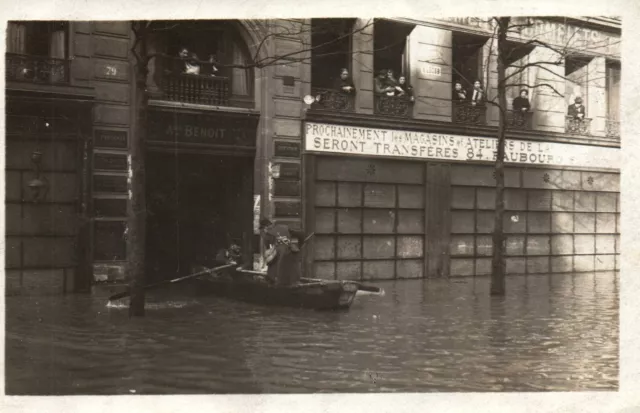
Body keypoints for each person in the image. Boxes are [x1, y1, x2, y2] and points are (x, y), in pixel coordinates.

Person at [259, 218, 305, 286]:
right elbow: (301, 234)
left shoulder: (268, 234)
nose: (264, 231)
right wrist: (300, 245)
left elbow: (269, 254)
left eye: (263, 229)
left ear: (266, 227)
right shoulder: (284, 227)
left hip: (279, 270)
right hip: (290, 259)